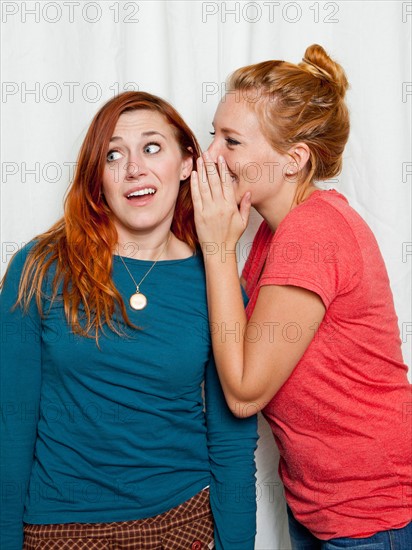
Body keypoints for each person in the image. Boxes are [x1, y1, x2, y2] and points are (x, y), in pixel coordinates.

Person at [0, 91, 258, 550]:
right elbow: (10, 423)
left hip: (184, 524)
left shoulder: (216, 283)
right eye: (114, 154)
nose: (134, 168)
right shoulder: (39, 268)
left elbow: (232, 442)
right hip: (62, 529)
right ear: (98, 177)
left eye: (152, 147)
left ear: (187, 163)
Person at [190, 44, 412, 549]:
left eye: (232, 141)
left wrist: (217, 245)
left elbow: (244, 391)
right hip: (320, 504)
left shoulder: (313, 232)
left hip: (372, 515)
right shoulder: (275, 233)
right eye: (213, 136)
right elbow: (229, 342)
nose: (211, 157)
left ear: (294, 160)